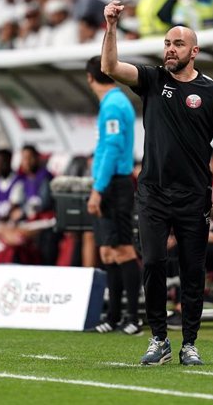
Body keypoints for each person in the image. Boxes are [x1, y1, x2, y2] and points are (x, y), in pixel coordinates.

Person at [101, 0, 213, 366]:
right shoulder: (152, 79)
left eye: (177, 44)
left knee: (193, 270)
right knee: (154, 262)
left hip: (194, 196)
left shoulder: (212, 91)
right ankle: (158, 339)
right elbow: (110, 66)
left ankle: (189, 343)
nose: (169, 49)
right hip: (152, 193)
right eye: (166, 43)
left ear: (194, 51)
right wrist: (111, 28)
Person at [85, 55, 142, 336]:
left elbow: (112, 148)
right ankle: (115, 315)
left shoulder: (114, 105)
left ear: (89, 78)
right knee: (108, 250)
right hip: (110, 183)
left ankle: (133, 317)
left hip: (115, 184)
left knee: (122, 249)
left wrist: (98, 189)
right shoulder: (116, 102)